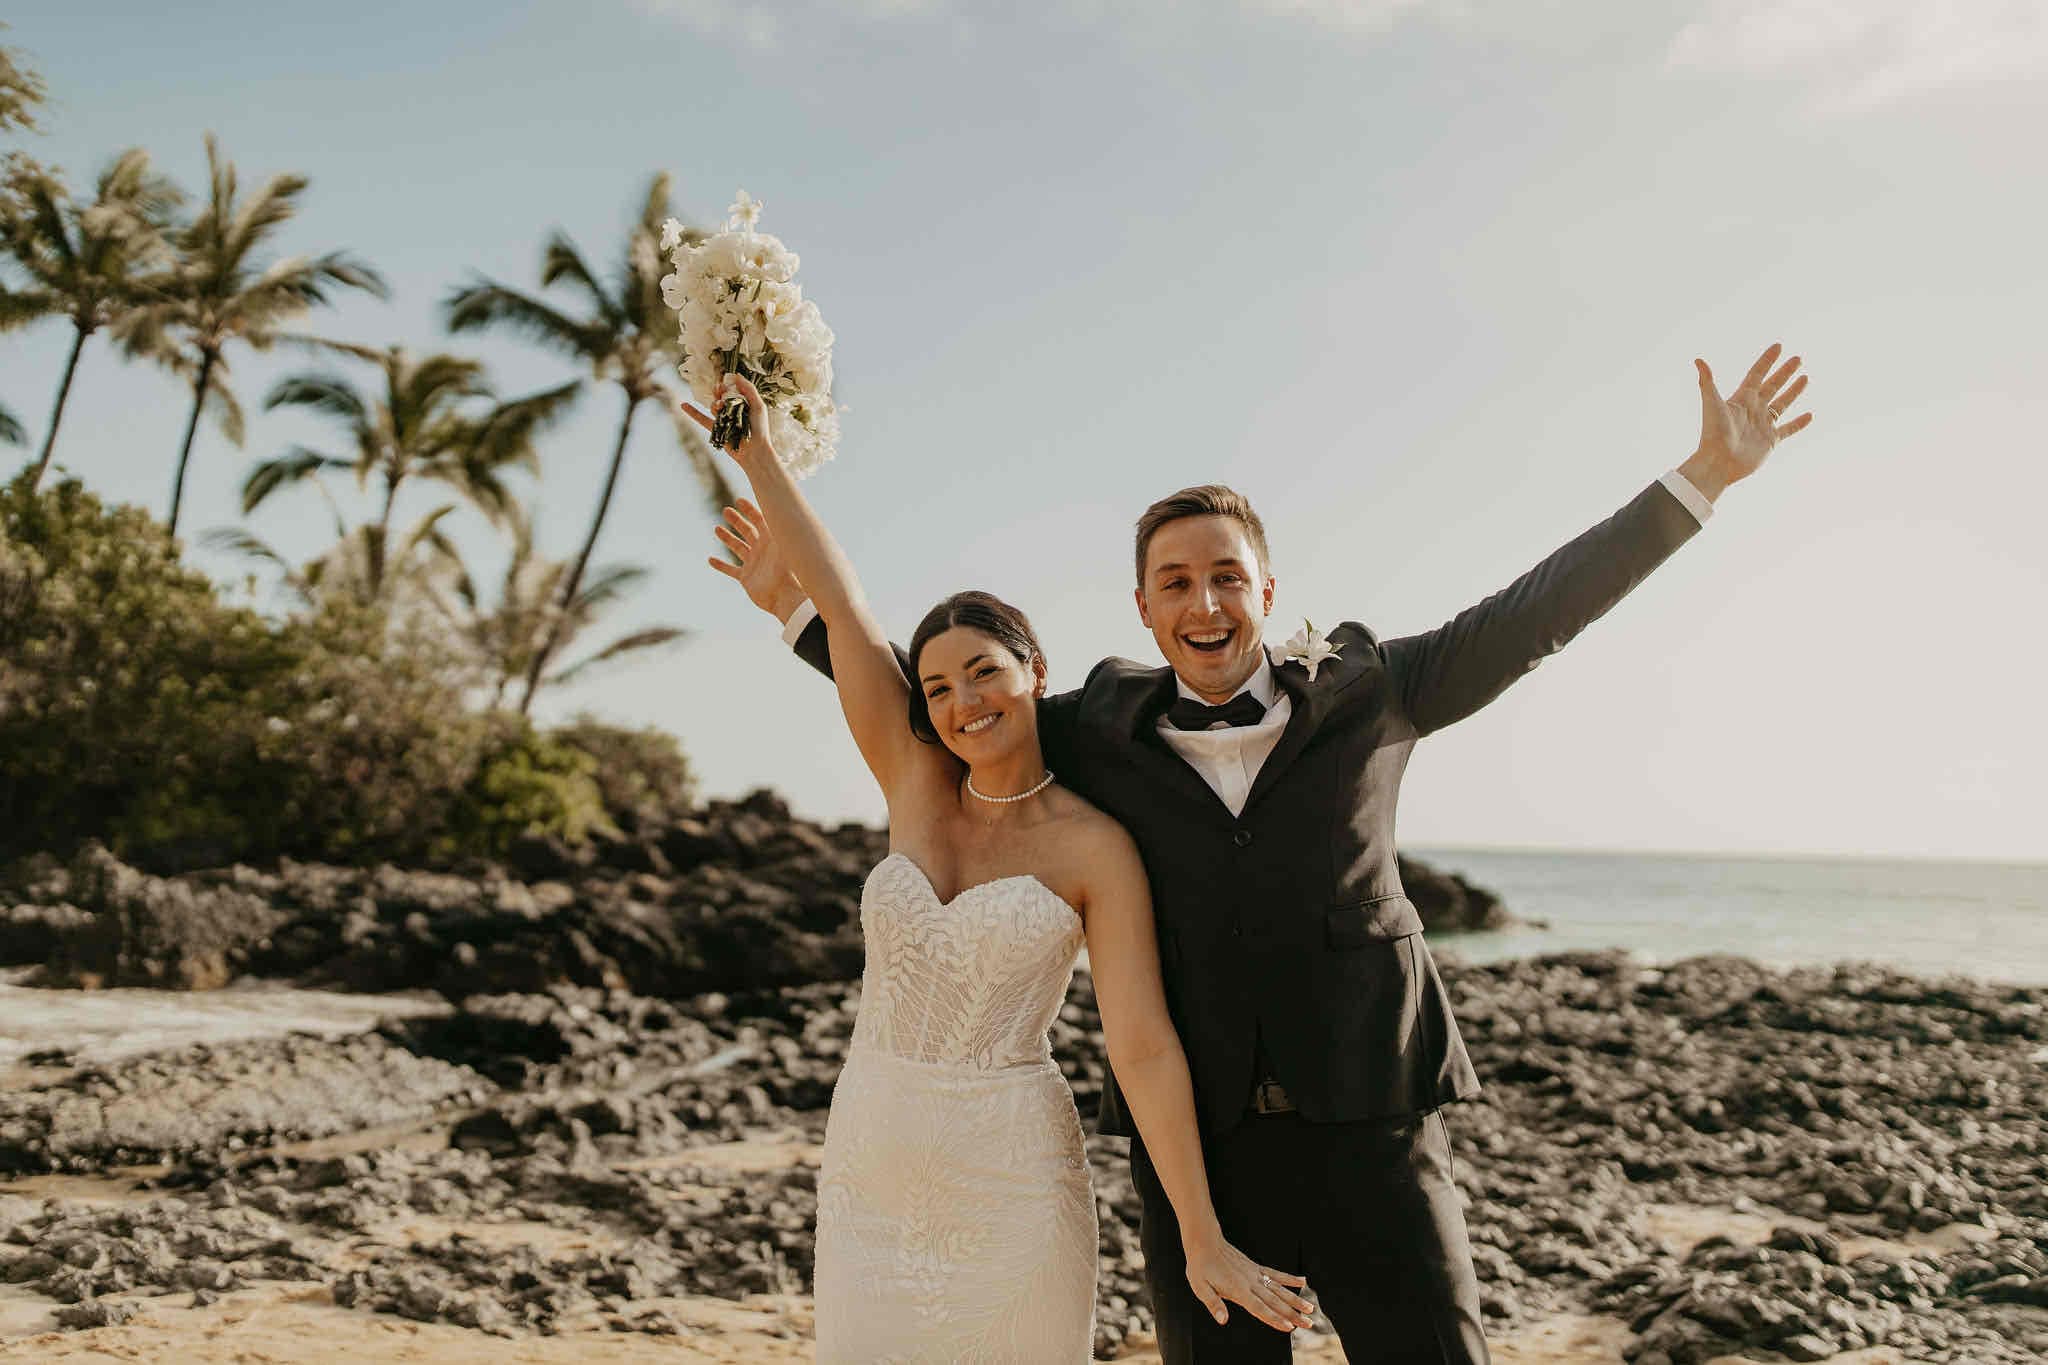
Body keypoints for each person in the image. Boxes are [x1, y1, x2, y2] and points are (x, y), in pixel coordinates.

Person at [713, 345, 1813, 1363]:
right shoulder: (1094, 720)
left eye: (1226, 576)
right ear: (1141, 606)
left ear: (1267, 589)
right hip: (1205, 1145)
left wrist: (1700, 479)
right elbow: (952, 712)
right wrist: (800, 621)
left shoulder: (1374, 687)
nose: (1204, 602)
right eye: (1176, 583)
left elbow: (1533, 615)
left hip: (1373, 1123)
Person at [683, 375, 1314, 1363]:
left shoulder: (1092, 846)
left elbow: (1141, 1048)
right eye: (935, 686)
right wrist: (757, 452)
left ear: (1034, 674)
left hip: (1013, 1180)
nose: (962, 700)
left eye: (984, 670)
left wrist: (1198, 1235)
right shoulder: (913, 784)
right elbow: (845, 613)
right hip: (870, 1164)